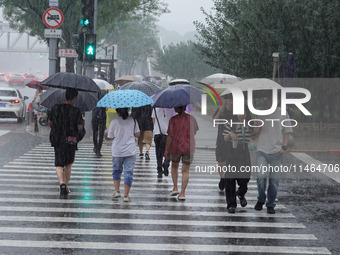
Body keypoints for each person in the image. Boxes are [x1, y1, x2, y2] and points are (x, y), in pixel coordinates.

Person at [254, 95, 293, 214]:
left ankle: (270, 204)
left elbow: (287, 132)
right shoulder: (261, 112)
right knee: (261, 176)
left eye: (272, 99)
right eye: (268, 99)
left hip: (277, 151)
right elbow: (256, 132)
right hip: (262, 149)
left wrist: (284, 147)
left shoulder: (283, 112)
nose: (269, 101)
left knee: (274, 181)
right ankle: (261, 199)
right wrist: (256, 121)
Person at [48, 88, 84, 199]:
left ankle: (61, 184)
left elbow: (50, 123)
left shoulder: (55, 108)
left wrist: (57, 128)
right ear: (74, 98)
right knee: (68, 164)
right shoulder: (77, 111)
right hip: (70, 140)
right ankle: (66, 186)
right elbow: (79, 127)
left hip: (58, 139)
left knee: (59, 164)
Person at [165, 105, 199, 200]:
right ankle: (183, 193)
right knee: (186, 170)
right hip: (189, 147)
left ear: (178, 108)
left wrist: (166, 149)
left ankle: (175, 188)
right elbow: (195, 132)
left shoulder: (173, 120)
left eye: (175, 106)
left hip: (176, 146)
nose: (174, 108)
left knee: (174, 166)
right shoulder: (191, 119)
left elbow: (170, 136)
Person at [107, 107, 140, 202]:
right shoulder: (133, 120)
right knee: (128, 172)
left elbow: (110, 137)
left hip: (117, 151)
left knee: (116, 170)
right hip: (130, 150)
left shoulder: (114, 121)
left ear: (117, 112)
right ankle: (126, 195)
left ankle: (117, 191)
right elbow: (137, 134)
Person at [223, 113, 253, 213]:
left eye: (244, 113)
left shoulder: (249, 124)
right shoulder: (231, 123)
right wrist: (230, 134)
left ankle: (241, 192)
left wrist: (259, 126)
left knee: (245, 176)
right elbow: (224, 138)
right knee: (230, 178)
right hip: (233, 150)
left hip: (244, 151)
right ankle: (231, 204)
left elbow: (254, 135)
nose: (242, 115)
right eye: (240, 113)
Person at [213, 97, 234, 191]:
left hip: (232, 142)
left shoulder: (237, 111)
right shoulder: (221, 110)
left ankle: (228, 178)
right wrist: (219, 111)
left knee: (230, 162)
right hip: (221, 141)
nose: (232, 102)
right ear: (227, 101)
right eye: (230, 100)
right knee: (221, 162)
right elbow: (214, 122)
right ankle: (222, 178)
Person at [152, 107, 176, 178]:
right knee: (168, 151)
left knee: (158, 154)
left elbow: (153, 120)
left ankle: (159, 170)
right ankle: (166, 162)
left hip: (157, 133)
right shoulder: (171, 108)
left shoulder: (155, 108)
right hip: (168, 134)